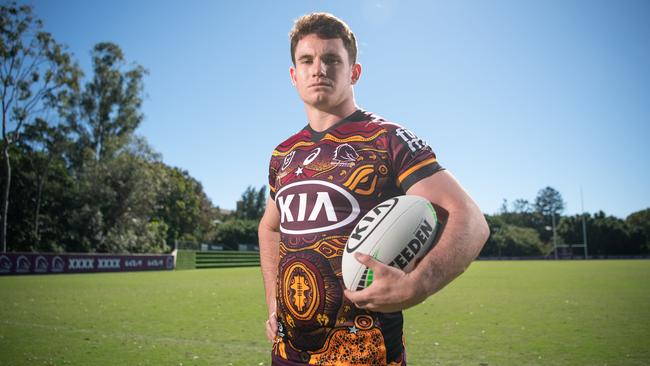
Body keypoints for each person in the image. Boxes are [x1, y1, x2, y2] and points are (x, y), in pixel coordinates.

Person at [258, 12, 489, 365]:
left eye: (332, 59)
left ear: (354, 72)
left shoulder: (387, 138)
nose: (318, 68)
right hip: (289, 353)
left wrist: (417, 286)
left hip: (366, 353)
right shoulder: (284, 154)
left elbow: (470, 220)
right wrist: (274, 301)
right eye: (307, 60)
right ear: (294, 75)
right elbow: (270, 226)